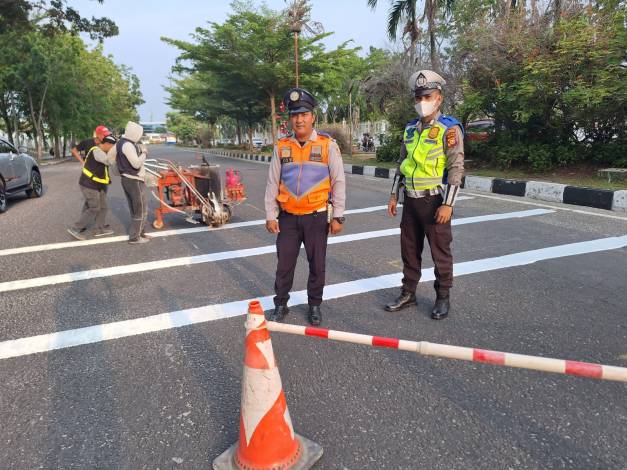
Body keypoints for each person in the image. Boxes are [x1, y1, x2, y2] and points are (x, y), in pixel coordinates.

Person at [385, 70, 465, 320]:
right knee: (409, 250)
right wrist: (393, 195)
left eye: (427, 96)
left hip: (434, 202)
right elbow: (403, 163)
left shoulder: (448, 129)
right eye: (418, 98)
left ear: (439, 98)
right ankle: (408, 292)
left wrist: (448, 204)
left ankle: (443, 296)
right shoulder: (410, 129)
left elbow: (456, 167)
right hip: (411, 200)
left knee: (440, 252)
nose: (422, 102)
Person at [265, 87, 346, 326]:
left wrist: (338, 216)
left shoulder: (327, 145)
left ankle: (314, 305)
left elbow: (338, 181)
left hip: (316, 217)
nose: (299, 119)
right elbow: (272, 182)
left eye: (304, 114)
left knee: (317, 265)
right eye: (294, 115)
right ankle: (280, 304)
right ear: (290, 119)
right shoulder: (282, 147)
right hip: (288, 217)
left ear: (313, 117)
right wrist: (271, 215)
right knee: (284, 264)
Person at [67, 134, 117, 240]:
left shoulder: (104, 152)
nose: (113, 149)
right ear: (107, 144)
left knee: (103, 206)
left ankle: (99, 228)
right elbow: (108, 161)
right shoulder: (97, 151)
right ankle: (75, 228)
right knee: (94, 207)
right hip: (89, 184)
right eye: (113, 147)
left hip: (99, 184)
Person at [116, 121, 150, 244]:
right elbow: (136, 163)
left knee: (136, 208)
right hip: (133, 180)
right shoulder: (128, 145)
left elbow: (112, 159)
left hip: (127, 179)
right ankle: (135, 237)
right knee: (140, 208)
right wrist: (144, 153)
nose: (139, 136)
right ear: (134, 133)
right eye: (139, 134)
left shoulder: (121, 143)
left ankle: (140, 233)